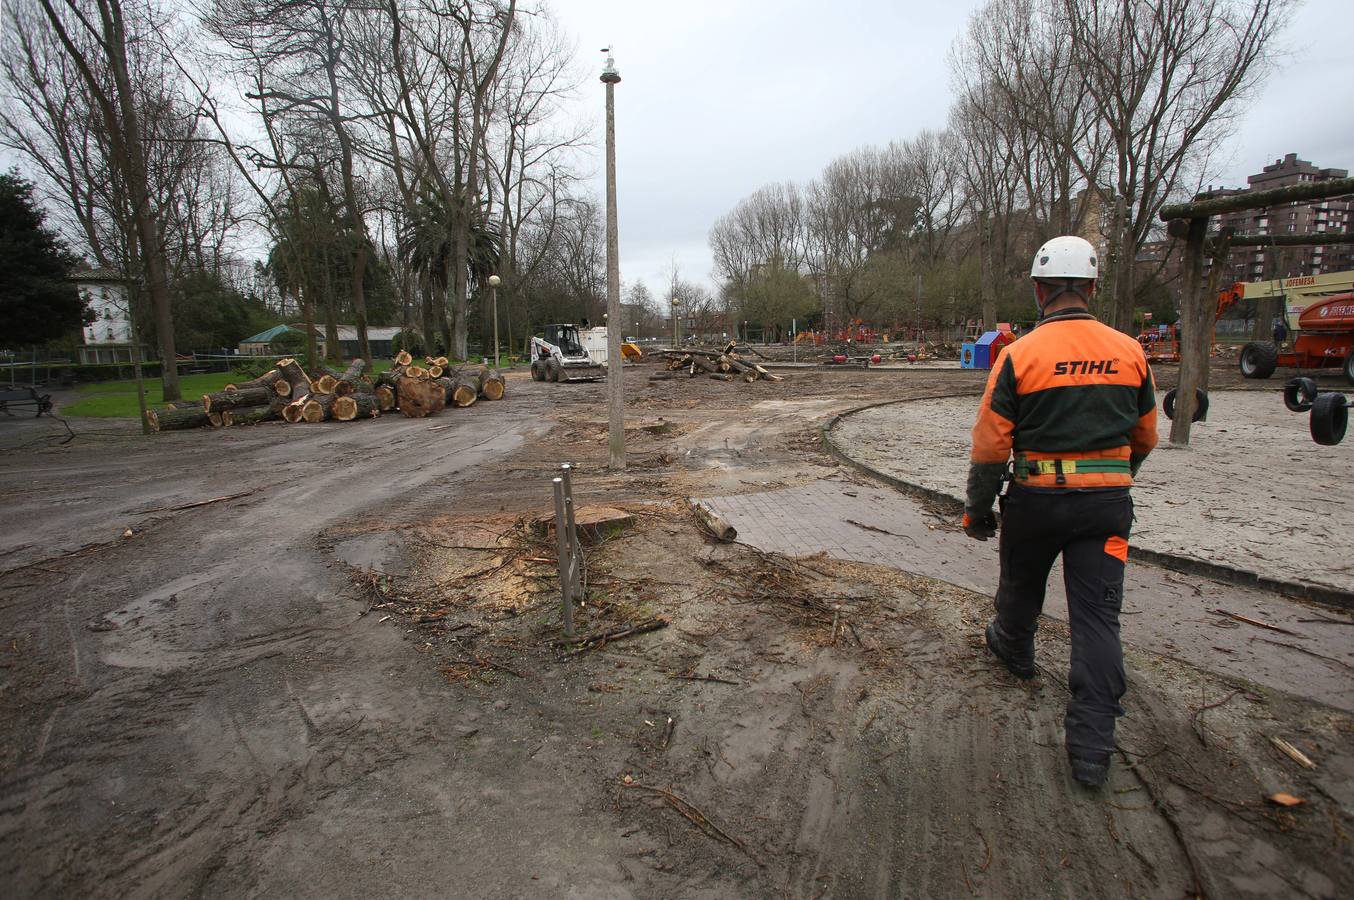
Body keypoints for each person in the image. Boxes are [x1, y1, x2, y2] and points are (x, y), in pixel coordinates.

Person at [962, 235, 1158, 789]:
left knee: (1021, 581)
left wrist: (978, 511)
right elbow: (1145, 437)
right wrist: (1113, 482)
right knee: (1098, 620)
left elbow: (990, 446)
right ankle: (1092, 747)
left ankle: (1016, 648)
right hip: (1106, 509)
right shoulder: (1130, 352)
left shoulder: (1019, 355)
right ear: (1093, 287)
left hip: (1035, 500)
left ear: (1039, 289)